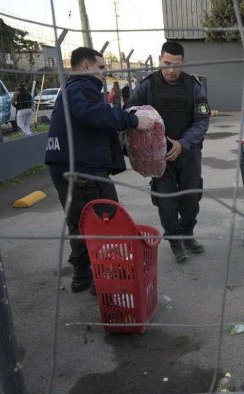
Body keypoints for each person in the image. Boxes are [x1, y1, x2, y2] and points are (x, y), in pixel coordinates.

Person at [45, 47, 152, 294]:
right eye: (101, 67)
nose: (103, 73)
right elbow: (93, 113)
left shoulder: (69, 90)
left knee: (79, 224)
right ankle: (104, 280)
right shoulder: (81, 88)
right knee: (106, 223)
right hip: (84, 170)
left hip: (65, 166)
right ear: (86, 66)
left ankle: (83, 277)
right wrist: (132, 120)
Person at [126, 40, 210, 263]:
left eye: (177, 64)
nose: (171, 70)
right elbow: (130, 113)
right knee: (166, 201)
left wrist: (182, 144)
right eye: (166, 63)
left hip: (188, 153)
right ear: (160, 59)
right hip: (157, 156)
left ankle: (187, 235)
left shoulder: (194, 86)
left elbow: (202, 121)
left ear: (184, 63)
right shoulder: (147, 86)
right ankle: (174, 241)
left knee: (191, 198)